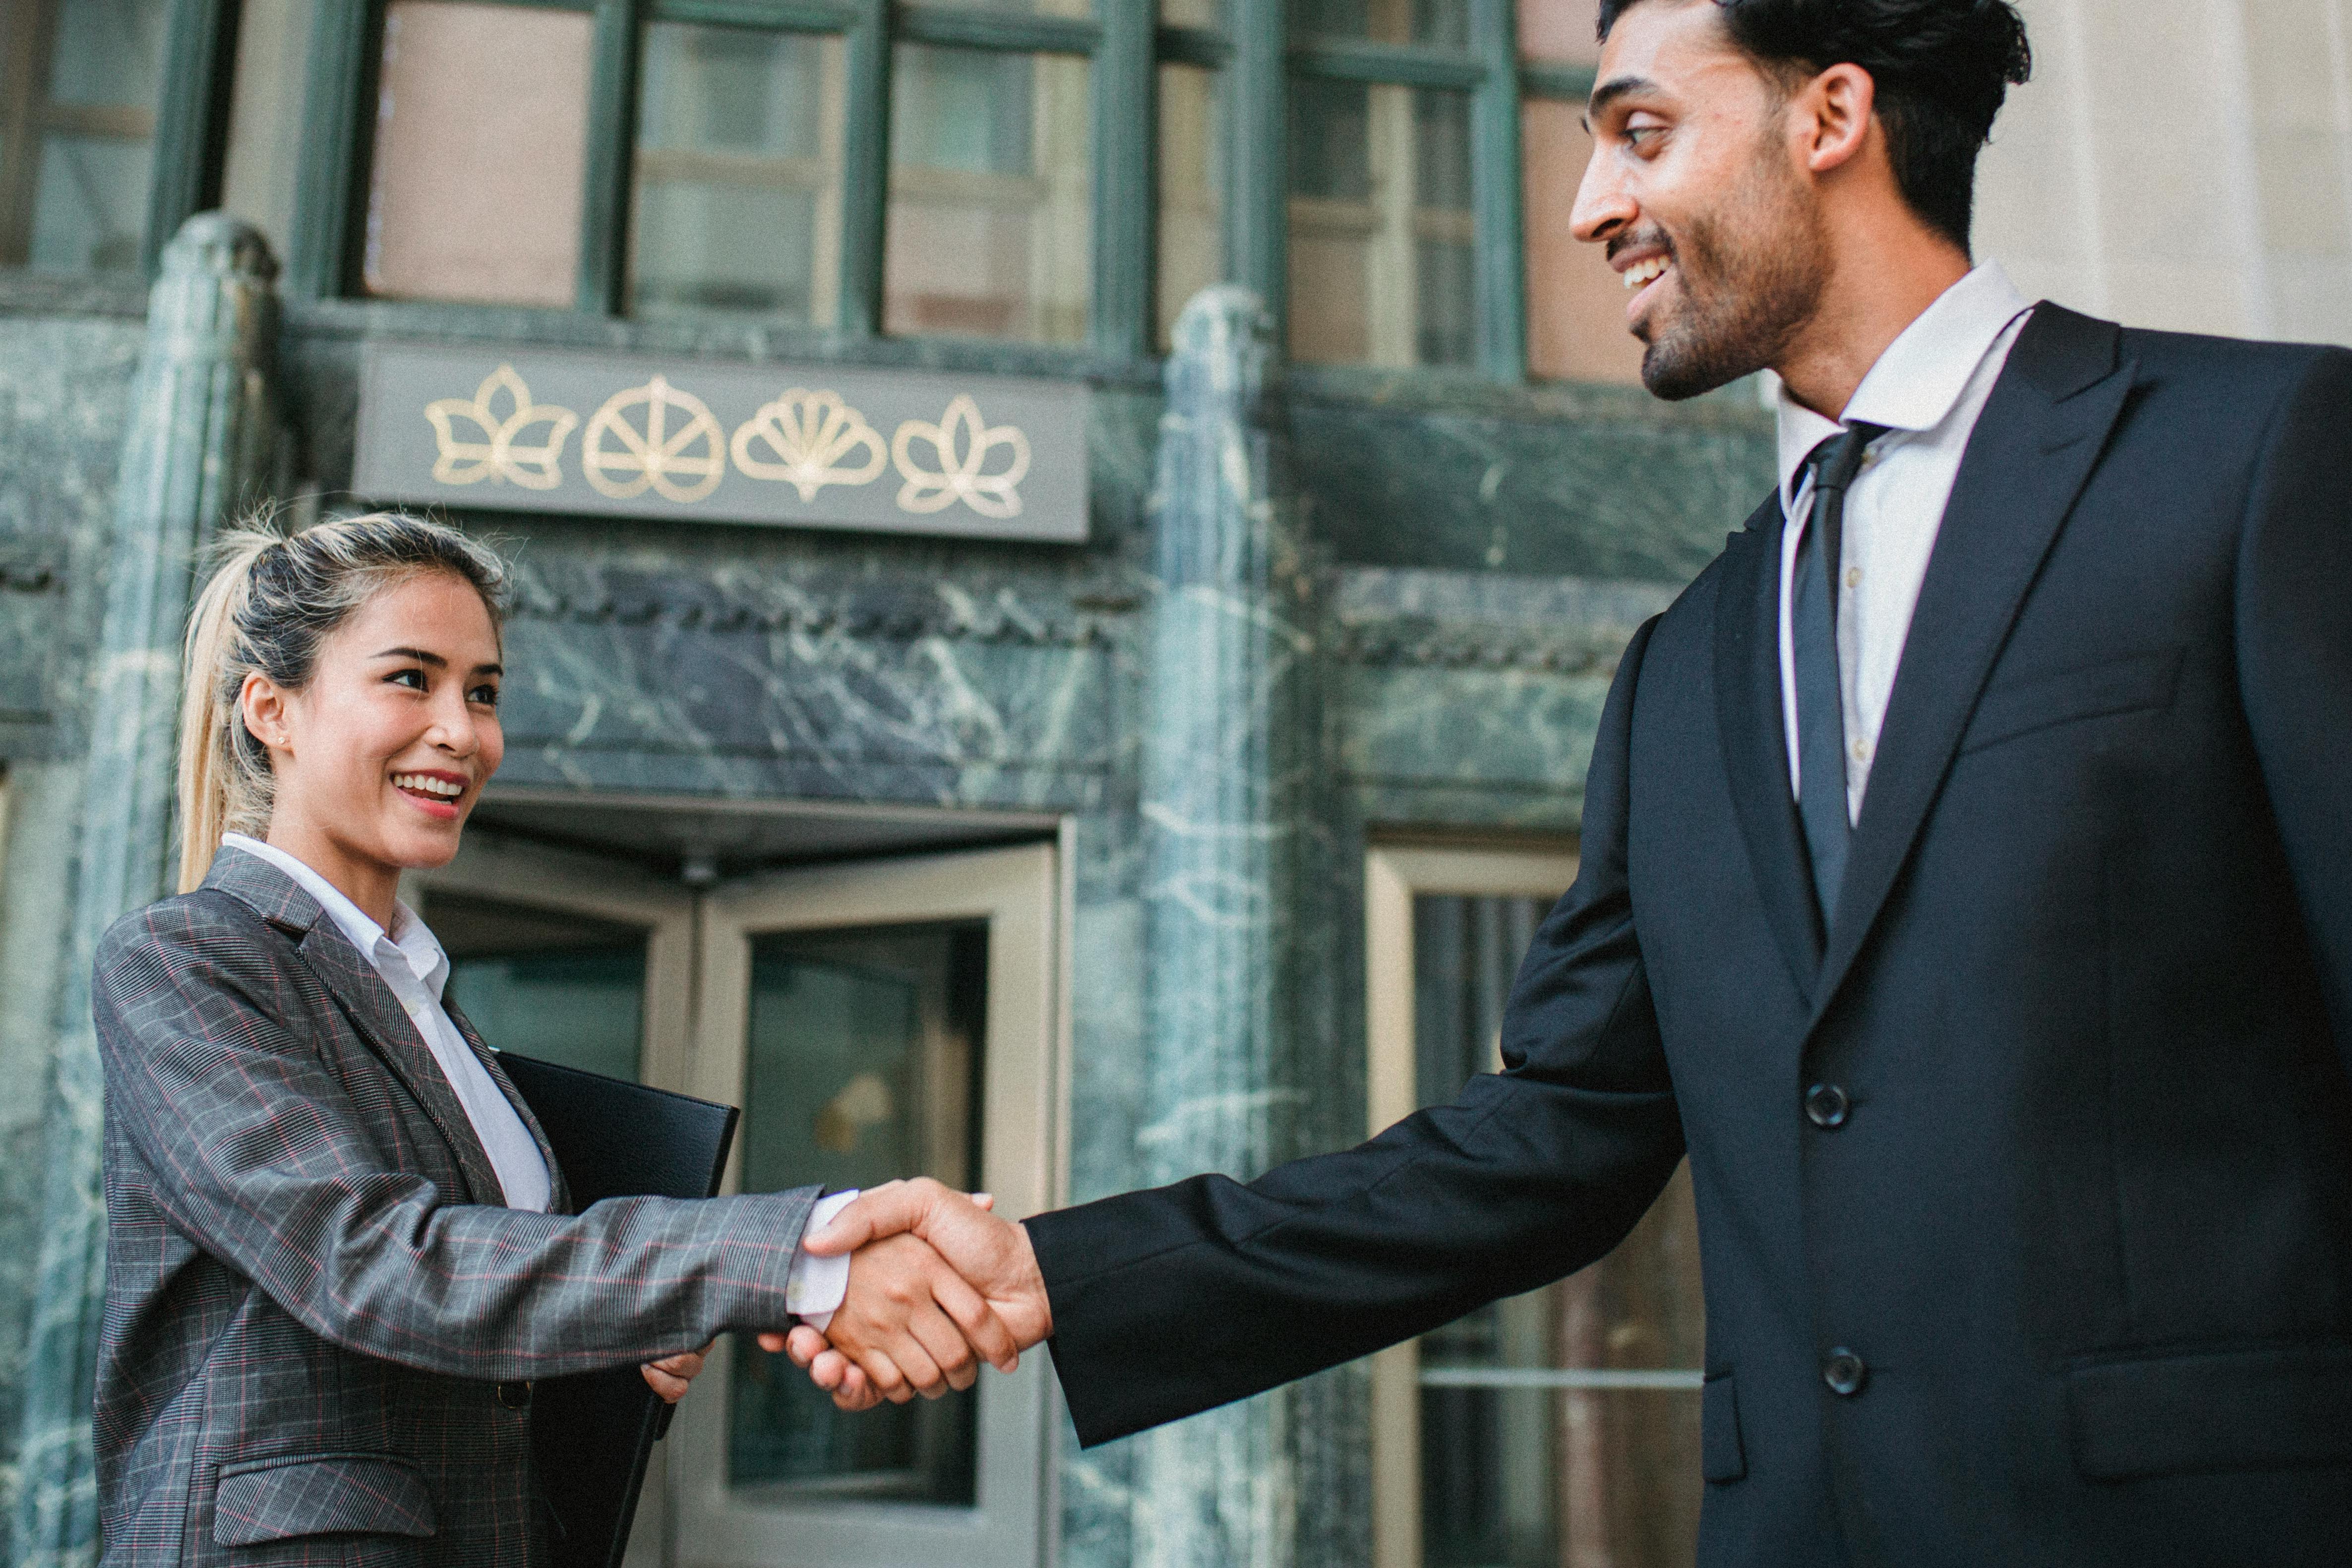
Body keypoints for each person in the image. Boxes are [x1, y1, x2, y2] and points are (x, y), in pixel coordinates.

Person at [779, 0, 2352, 1563]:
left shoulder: (2260, 456)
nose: (1592, 206)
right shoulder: (1687, 663)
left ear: (1833, 117)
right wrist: (1060, 1270)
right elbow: (1546, 1145)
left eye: (1641, 131)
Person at [94, 514, 1016, 1568]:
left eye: (483, 692)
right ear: (273, 710)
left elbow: (475, 1330)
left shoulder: (429, 1008)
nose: (461, 730)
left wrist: (623, 1342)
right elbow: (373, 1264)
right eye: (410, 678)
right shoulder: (185, 959)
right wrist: (799, 1265)